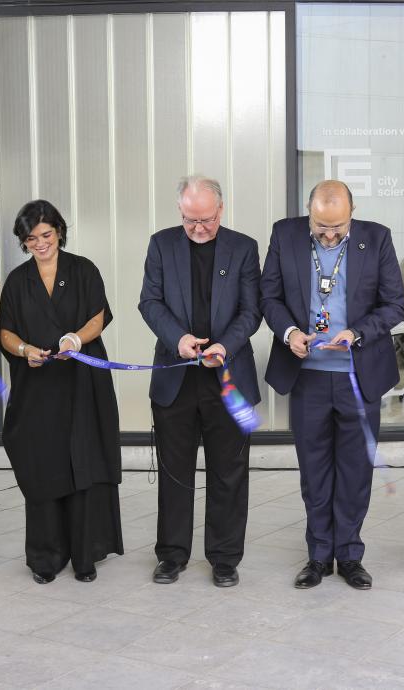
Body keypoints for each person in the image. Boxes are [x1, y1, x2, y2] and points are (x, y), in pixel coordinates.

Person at [260, 180, 404, 590]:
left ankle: (350, 555)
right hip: (306, 375)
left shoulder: (377, 239)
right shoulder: (284, 234)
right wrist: (289, 332)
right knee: (315, 470)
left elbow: (394, 304)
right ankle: (319, 555)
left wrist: (358, 333)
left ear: (352, 212)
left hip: (358, 376)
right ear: (308, 213)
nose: (328, 235)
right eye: (320, 226)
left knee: (356, 471)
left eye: (338, 227)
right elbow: (267, 296)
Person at [138, 175, 261, 588]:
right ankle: (172, 555)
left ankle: (225, 558)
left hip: (228, 376)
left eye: (206, 219)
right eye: (191, 220)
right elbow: (149, 301)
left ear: (220, 210)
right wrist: (180, 340)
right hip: (177, 375)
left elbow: (252, 310)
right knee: (175, 472)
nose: (199, 228)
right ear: (180, 213)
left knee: (229, 472)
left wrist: (224, 345)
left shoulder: (243, 248)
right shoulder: (161, 244)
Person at [0, 199, 123, 584]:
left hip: (82, 383)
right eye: (31, 238)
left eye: (46, 235)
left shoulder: (83, 270)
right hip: (38, 387)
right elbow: (4, 331)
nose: (40, 243)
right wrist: (24, 351)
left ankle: (85, 555)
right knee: (44, 467)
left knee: (84, 463)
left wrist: (74, 339)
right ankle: (45, 557)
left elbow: (99, 316)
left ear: (59, 232)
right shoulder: (18, 281)